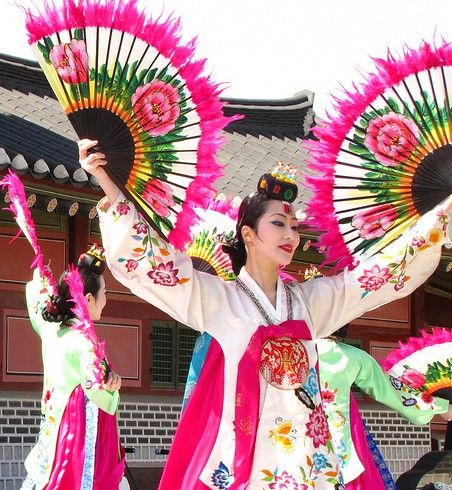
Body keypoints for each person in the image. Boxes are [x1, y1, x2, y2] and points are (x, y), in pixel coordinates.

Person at [79, 138, 451, 490]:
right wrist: (109, 184)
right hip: (245, 464)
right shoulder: (217, 299)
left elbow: (373, 278)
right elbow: (155, 265)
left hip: (309, 465)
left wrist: (437, 218)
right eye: (278, 223)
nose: (291, 234)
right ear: (249, 234)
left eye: (294, 226)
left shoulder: (310, 302)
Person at [21, 245, 125, 490]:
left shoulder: (51, 328)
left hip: (52, 426)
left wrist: (40, 275)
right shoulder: (85, 342)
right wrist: (114, 389)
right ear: (88, 298)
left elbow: (35, 297)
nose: (106, 300)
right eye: (105, 292)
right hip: (75, 435)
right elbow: (99, 396)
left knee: (47, 478)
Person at [317, 327, 452, 490]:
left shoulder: (286, 351)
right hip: (337, 449)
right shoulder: (351, 356)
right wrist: (441, 406)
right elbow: (393, 392)